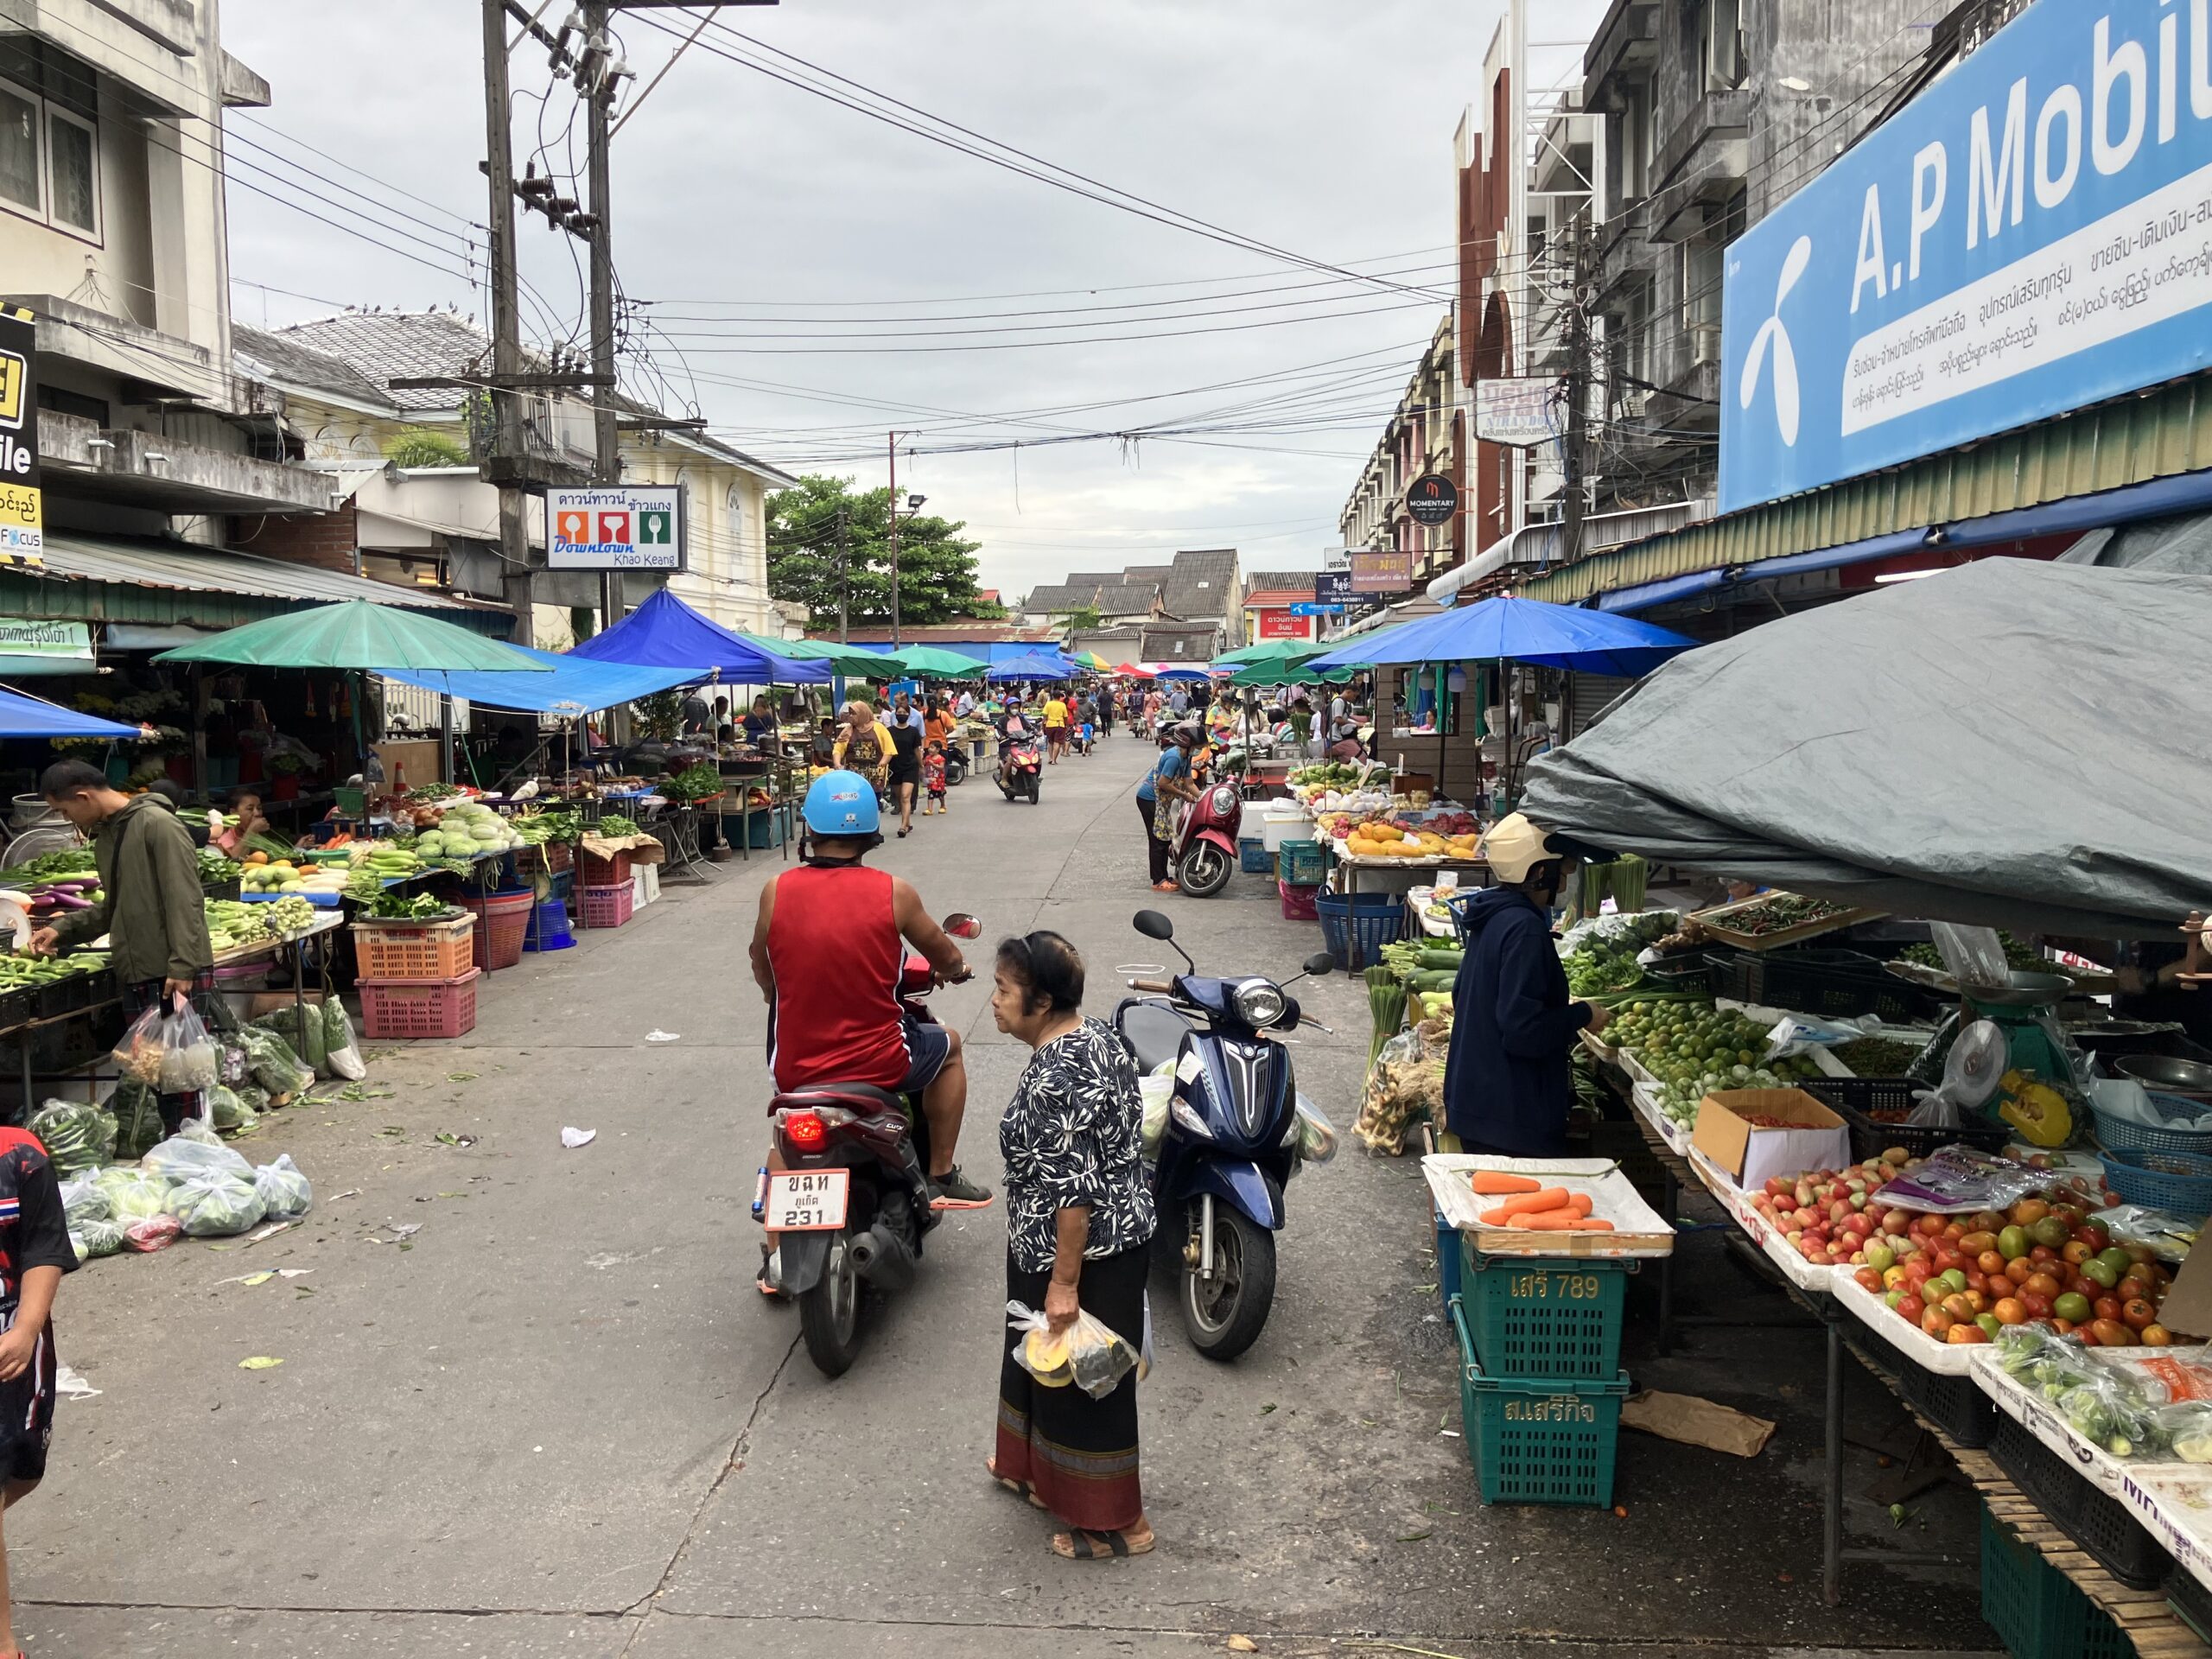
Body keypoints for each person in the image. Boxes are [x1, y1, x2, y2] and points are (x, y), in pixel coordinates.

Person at [750, 771, 991, 1294]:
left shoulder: (776, 890)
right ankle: (941, 1173)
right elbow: (945, 954)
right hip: (881, 1063)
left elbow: (762, 962)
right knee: (950, 1047)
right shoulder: (893, 892)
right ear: (871, 833)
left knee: (784, 1136)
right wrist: (956, 970)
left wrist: (775, 994)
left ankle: (774, 1258)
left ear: (809, 829)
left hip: (796, 1066)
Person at [985, 930, 1156, 1560]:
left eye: (1005, 990)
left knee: (1087, 1384)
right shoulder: (1099, 1036)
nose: (994, 1000)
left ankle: (1119, 1526)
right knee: (1038, 1362)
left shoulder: (1056, 1077)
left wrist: (1064, 1283)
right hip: (1069, 1240)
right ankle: (1031, 1472)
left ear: (1042, 1002)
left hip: (1086, 1253)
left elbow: (1074, 1198)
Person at [29, 761, 214, 1135]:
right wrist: (62, 928)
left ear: (83, 796)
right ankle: (180, 1148)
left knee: (182, 1078)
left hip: (169, 972)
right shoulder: (109, 836)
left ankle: (193, 1151)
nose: (66, 820)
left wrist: (182, 966)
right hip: (137, 969)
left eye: (64, 810)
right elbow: (114, 906)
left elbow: (185, 899)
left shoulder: (157, 824)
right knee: (156, 1076)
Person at [1440, 813, 1611, 1156]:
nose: (1564, 886)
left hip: (1477, 1102)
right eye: (1563, 874)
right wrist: (1583, 1014)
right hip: (1510, 1117)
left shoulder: (1492, 915)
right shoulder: (1525, 930)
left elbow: (1462, 995)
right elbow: (1524, 1032)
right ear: (1539, 873)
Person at [0, 1117, 76, 1659]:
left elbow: (44, 1247)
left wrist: (26, 1329)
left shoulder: (20, 1157)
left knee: (25, 1472)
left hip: (15, 1348)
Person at [1135, 722, 1203, 893]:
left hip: (1161, 802)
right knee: (1157, 840)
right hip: (1149, 799)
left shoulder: (1186, 757)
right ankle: (1158, 880)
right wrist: (1184, 795)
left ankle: (1165, 877)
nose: (1198, 750)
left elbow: (1189, 783)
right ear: (1188, 744)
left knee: (1165, 839)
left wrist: (1202, 797)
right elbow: (1163, 783)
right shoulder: (1174, 757)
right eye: (1197, 747)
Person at [832, 700, 893, 799]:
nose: (851, 716)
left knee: (873, 801)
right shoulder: (848, 731)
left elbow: (889, 751)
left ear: (863, 714)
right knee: (854, 801)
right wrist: (837, 764)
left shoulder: (879, 728)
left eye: (854, 714)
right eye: (850, 714)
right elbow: (838, 749)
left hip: (874, 774)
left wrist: (881, 766)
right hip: (853, 776)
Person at [886, 691, 925, 838]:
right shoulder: (889, 732)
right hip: (895, 768)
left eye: (904, 712)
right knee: (899, 797)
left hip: (910, 767)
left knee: (905, 796)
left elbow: (917, 750)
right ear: (895, 714)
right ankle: (907, 823)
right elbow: (886, 750)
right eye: (899, 712)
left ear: (908, 715)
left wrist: (921, 766)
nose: (901, 714)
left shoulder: (913, 732)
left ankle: (903, 826)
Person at [213, 790, 270, 860]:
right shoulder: (224, 837)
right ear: (233, 812)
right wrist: (251, 832)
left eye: (259, 808)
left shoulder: (256, 832)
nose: (257, 813)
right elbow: (234, 859)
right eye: (250, 809)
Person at [1041, 687, 1071, 764]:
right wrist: (1066, 725)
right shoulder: (1062, 705)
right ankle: (1054, 760)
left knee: (1050, 742)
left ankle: (1050, 758)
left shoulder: (1048, 704)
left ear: (1052, 696)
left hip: (1049, 725)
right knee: (1057, 743)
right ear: (1060, 696)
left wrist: (1042, 725)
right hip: (1060, 725)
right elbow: (1065, 717)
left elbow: (1045, 716)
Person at [923, 741, 950, 817]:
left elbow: (941, 768)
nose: (929, 749)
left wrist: (933, 764)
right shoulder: (928, 757)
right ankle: (929, 809)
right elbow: (923, 764)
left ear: (938, 749)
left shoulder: (941, 759)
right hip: (931, 779)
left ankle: (943, 806)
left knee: (940, 795)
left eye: (932, 747)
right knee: (931, 793)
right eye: (929, 747)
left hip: (939, 780)